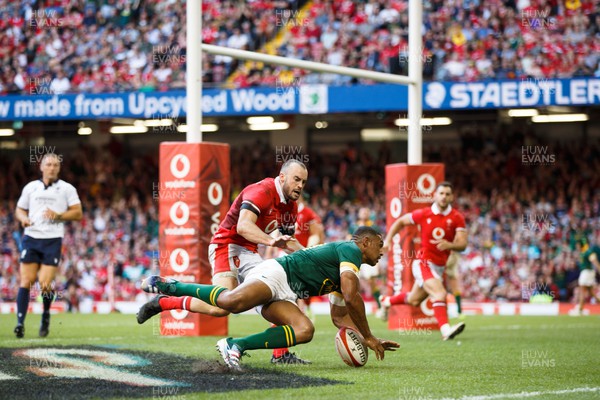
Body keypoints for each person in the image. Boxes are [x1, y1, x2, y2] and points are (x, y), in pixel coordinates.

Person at [140, 226, 400, 371]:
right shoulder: (349, 251)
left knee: (305, 330)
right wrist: (368, 335)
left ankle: (235, 345)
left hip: (286, 293)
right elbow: (353, 298)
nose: (382, 252)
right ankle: (172, 286)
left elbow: (339, 316)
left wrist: (360, 338)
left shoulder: (348, 270)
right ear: (365, 242)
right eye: (380, 245)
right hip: (277, 274)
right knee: (230, 303)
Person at [138, 159, 310, 364]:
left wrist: (312, 257)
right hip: (226, 245)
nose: (300, 186)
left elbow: (289, 243)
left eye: (304, 182)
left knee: (279, 293)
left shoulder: (291, 207)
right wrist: (273, 241)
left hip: (250, 252)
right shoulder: (261, 191)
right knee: (221, 307)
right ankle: (165, 300)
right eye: (297, 179)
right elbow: (243, 227)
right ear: (282, 177)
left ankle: (280, 354)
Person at [380, 182, 467, 340]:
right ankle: (446, 330)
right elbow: (400, 221)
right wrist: (388, 240)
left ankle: (386, 301)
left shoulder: (457, 218)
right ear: (434, 195)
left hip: (440, 266)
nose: (444, 197)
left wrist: (450, 245)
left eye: (447, 194)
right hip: (423, 262)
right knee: (440, 293)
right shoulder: (424, 214)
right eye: (441, 193)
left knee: (414, 300)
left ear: (452, 197)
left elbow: (463, 244)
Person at [14, 153, 82, 338]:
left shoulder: (67, 189)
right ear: (41, 167)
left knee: (45, 284)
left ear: (59, 168)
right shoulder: (31, 187)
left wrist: (58, 215)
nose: (51, 168)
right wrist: (23, 219)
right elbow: (19, 209)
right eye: (48, 164)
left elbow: (78, 213)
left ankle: (45, 315)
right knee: (25, 280)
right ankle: (20, 323)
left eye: (55, 165)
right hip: (31, 237)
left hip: (52, 240)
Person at [348, 206, 385, 319]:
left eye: (366, 212)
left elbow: (379, 242)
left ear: (369, 214)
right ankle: (353, 308)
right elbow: (349, 238)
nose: (364, 213)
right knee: (353, 281)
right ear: (359, 214)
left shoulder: (373, 226)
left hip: (368, 256)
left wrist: (377, 258)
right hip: (356, 256)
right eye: (362, 212)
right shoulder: (353, 226)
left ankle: (380, 306)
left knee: (371, 282)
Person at [570, 241, 600, 316]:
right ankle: (581, 308)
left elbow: (594, 261)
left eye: (577, 245)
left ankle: (580, 309)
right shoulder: (582, 253)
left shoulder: (588, 251)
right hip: (586, 272)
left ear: (581, 245)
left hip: (587, 272)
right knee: (590, 292)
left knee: (582, 290)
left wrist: (599, 269)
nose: (577, 247)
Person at [445, 251, 464, 318]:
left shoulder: (454, 254)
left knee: (455, 290)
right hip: (445, 269)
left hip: (448, 270)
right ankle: (458, 311)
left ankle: (459, 311)